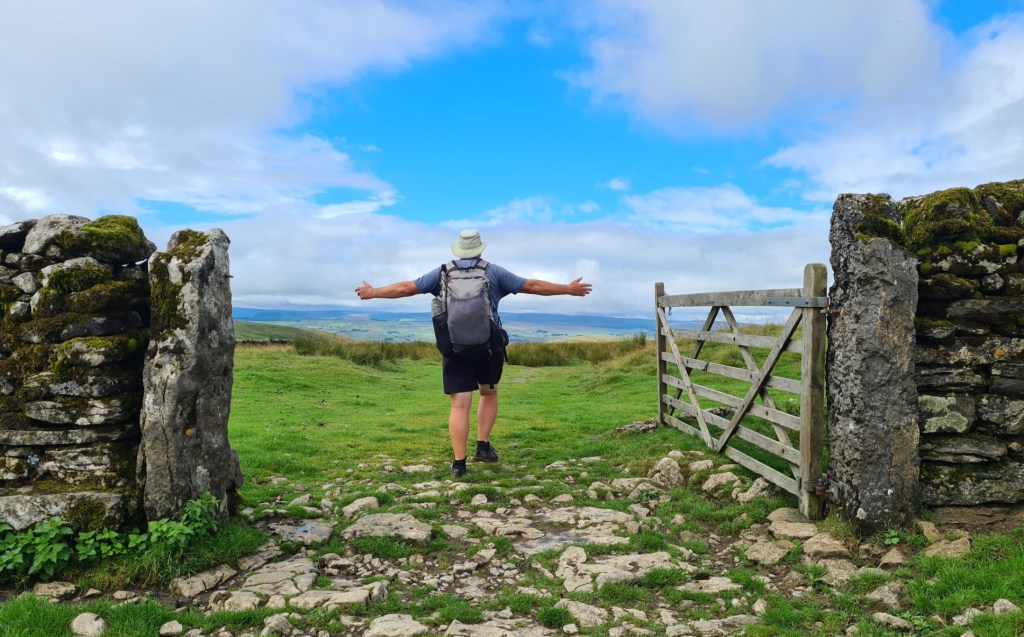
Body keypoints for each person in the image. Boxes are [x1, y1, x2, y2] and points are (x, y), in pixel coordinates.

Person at [355, 229, 592, 477]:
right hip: (488, 347)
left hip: (454, 347)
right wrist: (567, 288)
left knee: (460, 404)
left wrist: (373, 292)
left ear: (458, 249)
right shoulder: (493, 272)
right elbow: (531, 285)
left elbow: (406, 288)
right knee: (488, 393)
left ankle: (459, 464)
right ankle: (483, 446)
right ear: (480, 249)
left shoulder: (442, 272)